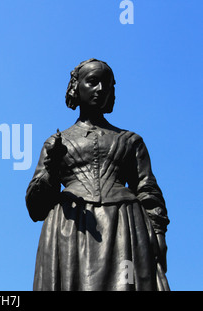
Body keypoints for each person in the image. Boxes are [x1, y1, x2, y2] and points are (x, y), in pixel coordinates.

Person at [26, 58, 170, 291]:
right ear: (76, 86)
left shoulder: (131, 141)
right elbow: (35, 207)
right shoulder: (55, 143)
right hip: (71, 227)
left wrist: (159, 233)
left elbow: (146, 188)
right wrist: (51, 166)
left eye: (107, 84)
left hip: (125, 225)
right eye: (92, 82)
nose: (100, 89)